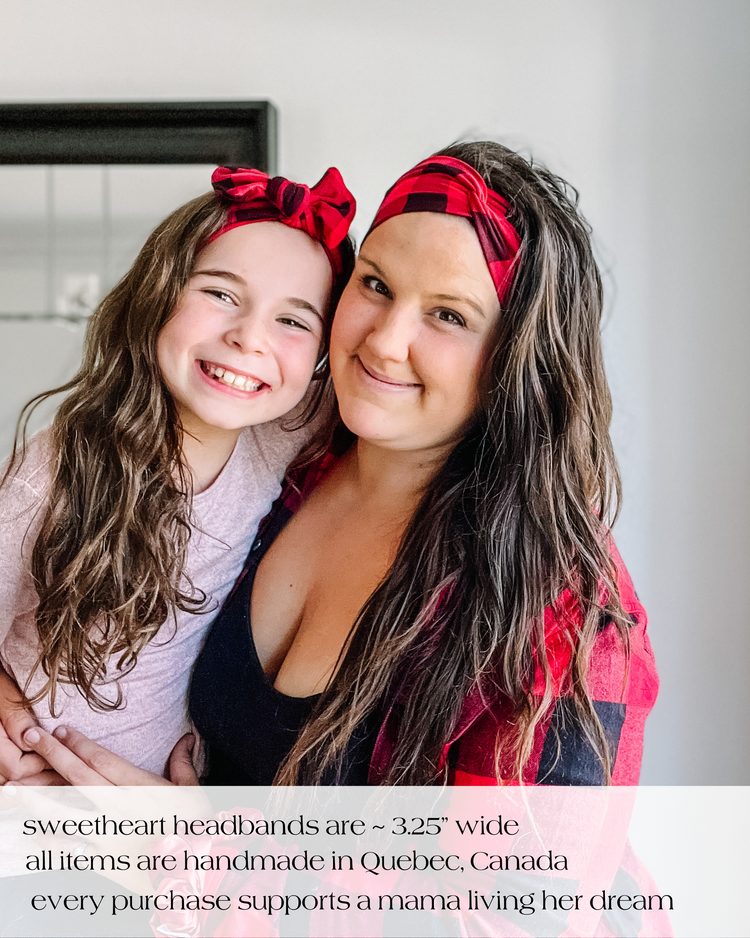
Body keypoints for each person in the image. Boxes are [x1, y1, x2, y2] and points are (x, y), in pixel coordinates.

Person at [19, 141, 658, 788]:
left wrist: (189, 850)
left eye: (448, 314)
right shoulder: (288, 458)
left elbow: (528, 890)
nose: (383, 341)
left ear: (518, 360)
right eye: (376, 284)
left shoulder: (565, 616)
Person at [0, 164, 355, 782]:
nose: (249, 338)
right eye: (220, 293)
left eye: (294, 321)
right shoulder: (55, 471)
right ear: (157, 293)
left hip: (168, 834)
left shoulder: (275, 435)